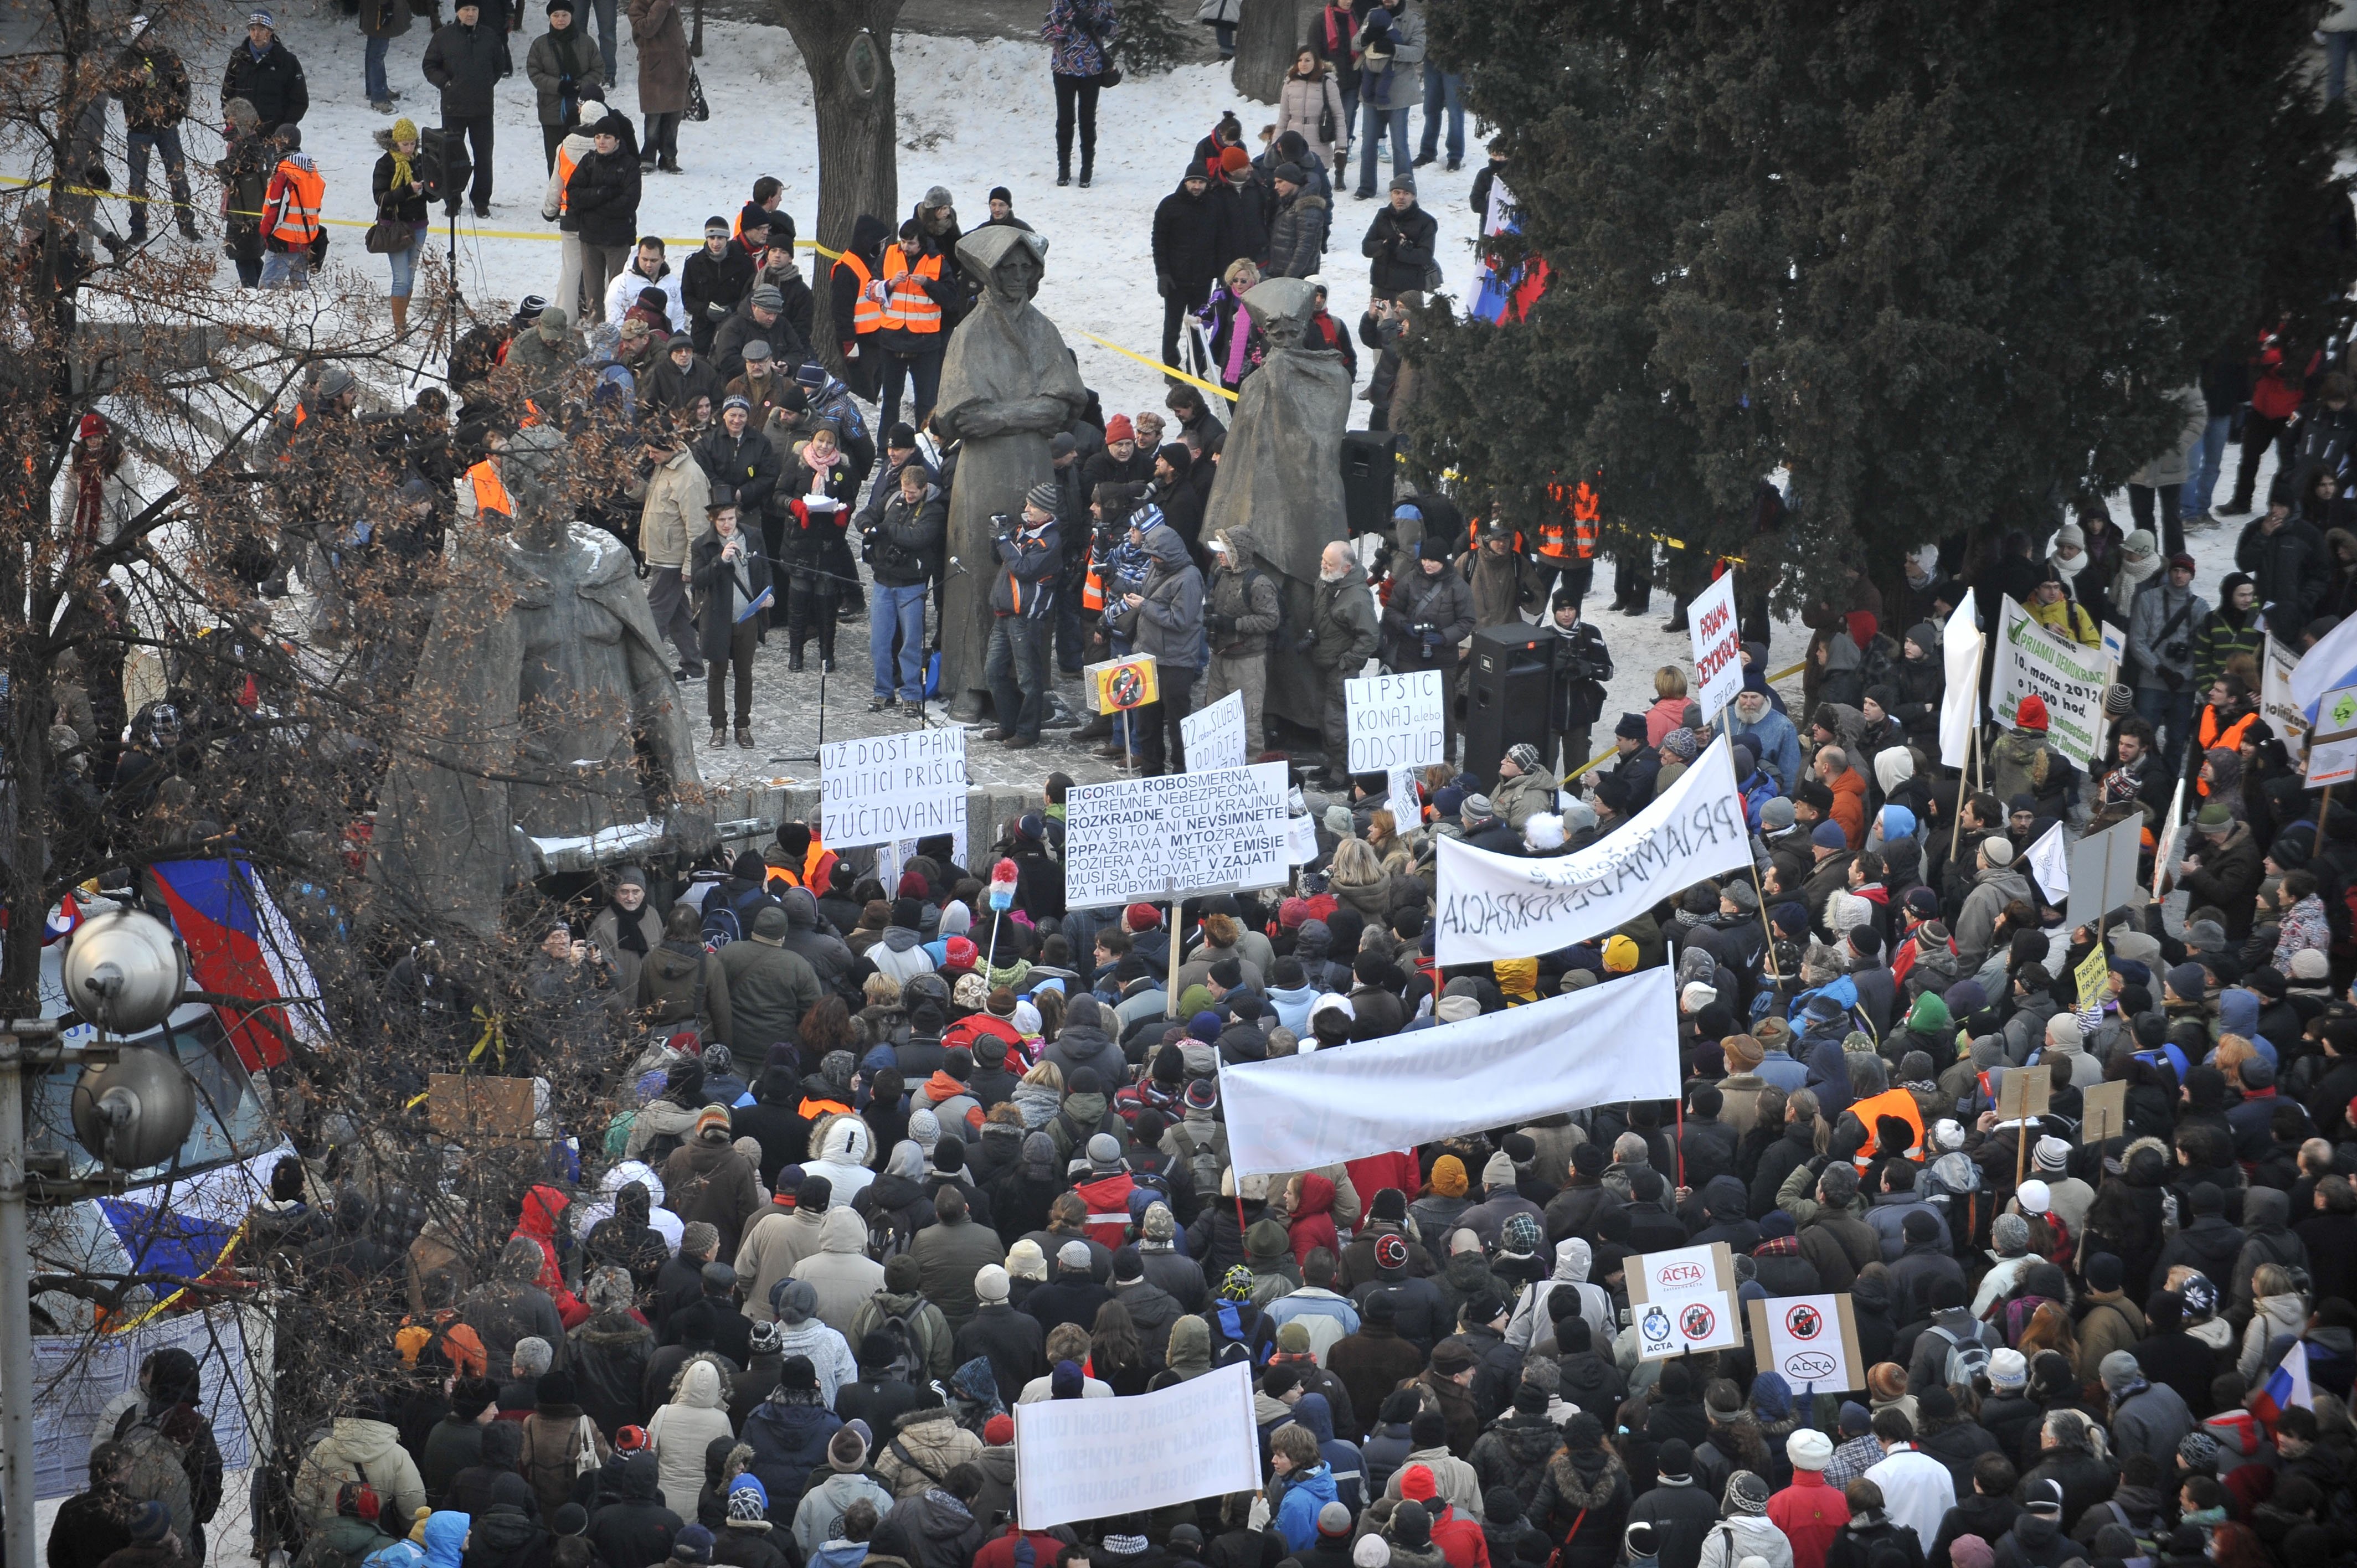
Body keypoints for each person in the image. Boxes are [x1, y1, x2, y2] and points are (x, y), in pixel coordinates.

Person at [861, 458, 945, 716]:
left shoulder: (934, 510)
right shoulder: (893, 499)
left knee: (910, 642)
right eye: (905, 491)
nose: (907, 496)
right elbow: (866, 514)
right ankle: (883, 691)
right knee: (879, 642)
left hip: (912, 585)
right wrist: (867, 527)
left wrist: (885, 528)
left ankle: (911, 693)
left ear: (923, 489)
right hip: (883, 581)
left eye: (912, 493)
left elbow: (918, 538)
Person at [985, 485, 1066, 750]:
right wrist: (996, 537)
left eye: (1032, 506)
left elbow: (1023, 570)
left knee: (1029, 680)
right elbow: (999, 558)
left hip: (1026, 617)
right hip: (1006, 613)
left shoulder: (1049, 542)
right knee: (994, 672)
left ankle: (1028, 732)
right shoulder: (1022, 530)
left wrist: (1004, 541)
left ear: (1046, 512)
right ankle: (1008, 725)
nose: (1026, 509)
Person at [1382, 535, 1475, 763]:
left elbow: (1466, 621)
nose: (1428, 564)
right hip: (1410, 655)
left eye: (1433, 560)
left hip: (1443, 659)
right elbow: (1392, 610)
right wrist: (1405, 625)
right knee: (1408, 709)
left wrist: (1443, 637)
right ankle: (1406, 753)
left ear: (1444, 561)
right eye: (1424, 559)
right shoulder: (1409, 580)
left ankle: (1446, 758)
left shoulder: (1458, 587)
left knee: (1443, 711)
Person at [689, 487, 768, 749]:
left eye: (731, 519)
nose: (726, 524)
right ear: (713, 519)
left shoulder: (753, 537)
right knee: (717, 674)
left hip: (747, 617)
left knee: (744, 673)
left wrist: (770, 596)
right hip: (717, 619)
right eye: (721, 519)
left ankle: (742, 725)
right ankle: (718, 726)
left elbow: (766, 571)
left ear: (737, 517)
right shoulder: (702, 544)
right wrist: (719, 561)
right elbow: (698, 581)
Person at [113, 16, 197, 244]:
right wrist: (133, 79)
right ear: (134, 38)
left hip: (167, 127)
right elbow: (113, 90)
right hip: (139, 129)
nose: (147, 41)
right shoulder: (126, 59)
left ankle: (187, 224)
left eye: (150, 35)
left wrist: (176, 116)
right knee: (137, 181)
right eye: (142, 37)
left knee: (178, 175)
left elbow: (184, 88)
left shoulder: (168, 57)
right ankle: (139, 228)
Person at [421, 0, 508, 217]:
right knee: (450, 156)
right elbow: (430, 65)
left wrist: (486, 83)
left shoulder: (490, 36)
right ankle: (452, 199)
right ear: (458, 12)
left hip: (482, 109)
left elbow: (499, 66)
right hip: (454, 108)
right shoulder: (443, 36)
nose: (471, 14)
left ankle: (481, 200)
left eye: (475, 10)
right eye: (466, 10)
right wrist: (446, 83)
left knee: (484, 156)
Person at [1202, 525, 1282, 753]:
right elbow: (1213, 596)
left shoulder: (1259, 583)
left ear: (1238, 553)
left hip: (1248, 661)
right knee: (1214, 717)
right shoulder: (1220, 574)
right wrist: (1209, 609)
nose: (1218, 555)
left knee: (1249, 722)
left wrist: (1234, 624)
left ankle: (1253, 770)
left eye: (1224, 550)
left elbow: (1270, 620)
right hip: (1220, 655)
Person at [1308, 539, 1380, 787]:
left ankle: (1343, 772)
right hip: (1323, 663)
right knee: (1323, 718)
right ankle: (1331, 762)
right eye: (1324, 561)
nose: (1323, 566)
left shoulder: (1358, 597)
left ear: (1346, 568)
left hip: (1341, 669)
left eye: (1329, 563)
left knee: (1338, 722)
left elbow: (1370, 637)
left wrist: (1348, 662)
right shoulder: (1327, 582)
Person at [877, 221, 954, 436]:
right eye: (903, 241)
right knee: (890, 400)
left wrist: (929, 284)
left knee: (926, 402)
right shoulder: (889, 255)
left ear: (922, 243)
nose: (906, 247)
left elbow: (950, 299)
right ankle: (885, 448)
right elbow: (871, 289)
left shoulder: (937, 261)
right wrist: (889, 285)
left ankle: (925, 445)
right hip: (892, 339)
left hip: (925, 342)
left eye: (911, 243)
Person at [567, 117, 642, 323]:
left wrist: (592, 205)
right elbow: (573, 193)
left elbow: (629, 203)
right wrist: (603, 194)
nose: (602, 141)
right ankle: (596, 325)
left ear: (617, 140)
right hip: (590, 237)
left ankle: (618, 324)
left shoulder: (629, 165)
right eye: (598, 137)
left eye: (607, 137)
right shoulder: (588, 161)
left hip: (618, 239)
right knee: (593, 291)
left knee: (619, 288)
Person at [370, 120, 441, 338]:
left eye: (412, 144)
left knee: (410, 278)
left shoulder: (420, 162)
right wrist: (407, 191)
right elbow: (380, 198)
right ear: (395, 144)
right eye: (405, 144)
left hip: (419, 225)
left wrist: (432, 190)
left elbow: (432, 196)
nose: (409, 149)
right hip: (396, 228)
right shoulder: (385, 164)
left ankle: (402, 320)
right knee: (401, 278)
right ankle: (400, 327)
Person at [1152, 169, 1223, 376]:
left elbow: (1220, 240)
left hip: (1202, 279)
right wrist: (1162, 273)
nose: (1196, 187)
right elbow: (1159, 242)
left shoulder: (1213, 205)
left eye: (1200, 182)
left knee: (1198, 326)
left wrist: (1219, 272)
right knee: (1172, 326)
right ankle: (1171, 369)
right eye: (1193, 181)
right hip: (1175, 280)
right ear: (1185, 182)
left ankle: (1196, 367)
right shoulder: (1169, 205)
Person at [1353, 0, 1425, 199]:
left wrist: (1395, 49)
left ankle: (1405, 188)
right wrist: (1366, 38)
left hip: (1400, 90)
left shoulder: (1414, 20)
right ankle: (1366, 187)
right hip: (1372, 89)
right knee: (1368, 142)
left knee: (1399, 144)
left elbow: (1419, 52)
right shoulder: (1372, 15)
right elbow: (1355, 42)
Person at [1042, 0, 1116, 187]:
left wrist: (1103, 27)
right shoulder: (1061, 2)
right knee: (1065, 120)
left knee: (1088, 120)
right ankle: (1064, 169)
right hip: (1064, 69)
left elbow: (1115, 29)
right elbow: (1046, 32)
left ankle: (1087, 170)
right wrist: (1070, 24)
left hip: (1092, 69)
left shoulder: (1102, 3)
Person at [526, 0, 604, 169]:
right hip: (551, 110)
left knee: (582, 160)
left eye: (564, 15)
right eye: (556, 15)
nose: (560, 19)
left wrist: (580, 85)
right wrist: (558, 86)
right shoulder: (540, 45)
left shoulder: (586, 42)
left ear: (571, 16)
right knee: (555, 160)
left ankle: (579, 195)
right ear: (550, 18)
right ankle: (556, 195)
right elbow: (534, 73)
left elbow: (598, 69)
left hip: (581, 110)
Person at [1546, 589, 1613, 774]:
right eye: (1561, 609)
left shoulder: (1591, 634)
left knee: (1578, 772)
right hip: (1550, 715)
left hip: (1580, 716)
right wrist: (1551, 667)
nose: (1567, 614)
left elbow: (1608, 671)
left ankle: (1574, 802)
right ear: (1554, 611)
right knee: (1544, 772)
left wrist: (1587, 668)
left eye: (1571, 609)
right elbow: (1528, 678)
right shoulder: (1544, 637)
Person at [628, 0, 691, 173]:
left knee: (674, 119)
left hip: (677, 69)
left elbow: (679, 32)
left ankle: (669, 157)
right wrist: (662, 4)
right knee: (653, 120)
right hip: (654, 72)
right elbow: (647, 29)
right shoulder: (638, 6)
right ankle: (648, 157)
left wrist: (687, 58)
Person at [223, 11, 307, 137]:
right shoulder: (238, 57)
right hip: (240, 135)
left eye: (262, 30)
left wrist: (284, 129)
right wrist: (232, 122)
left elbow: (299, 101)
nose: (256, 34)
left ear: (271, 32)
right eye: (252, 29)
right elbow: (227, 93)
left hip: (273, 137)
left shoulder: (287, 61)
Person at [258, 125, 322, 288]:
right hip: (306, 239)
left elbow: (276, 210)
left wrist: (265, 232)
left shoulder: (284, 173)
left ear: (280, 144)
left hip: (283, 240)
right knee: (300, 296)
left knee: (267, 294)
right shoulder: (311, 172)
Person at [683, 217, 754, 356]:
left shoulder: (743, 263)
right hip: (702, 330)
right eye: (712, 238)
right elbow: (687, 298)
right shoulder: (693, 264)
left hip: (734, 328)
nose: (716, 243)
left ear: (727, 239)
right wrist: (705, 310)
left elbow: (749, 295)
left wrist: (732, 309)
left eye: (720, 238)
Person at [1280, 48, 1351, 177]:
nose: (1303, 64)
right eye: (1300, 60)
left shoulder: (1327, 83)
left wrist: (1341, 148)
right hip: (1293, 142)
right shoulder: (1290, 83)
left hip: (1319, 142)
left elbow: (1339, 116)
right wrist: (1275, 145)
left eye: (1308, 60)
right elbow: (1283, 118)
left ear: (1316, 62)